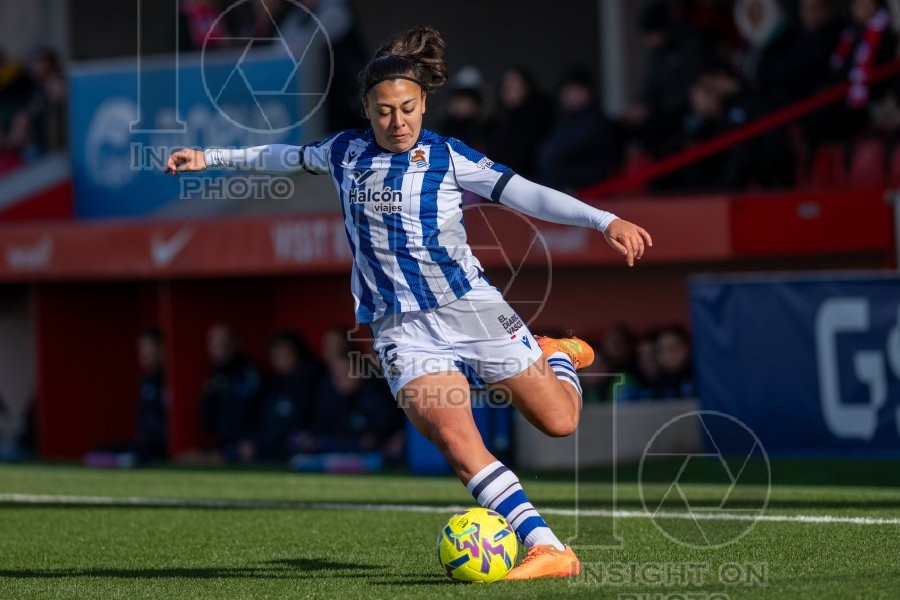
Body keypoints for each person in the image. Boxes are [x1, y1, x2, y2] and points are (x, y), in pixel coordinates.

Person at [166, 24, 652, 580]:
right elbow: (284, 156)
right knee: (455, 440)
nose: (397, 122)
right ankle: (548, 547)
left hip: (471, 308)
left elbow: (526, 193)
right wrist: (210, 157)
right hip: (400, 330)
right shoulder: (344, 152)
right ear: (366, 111)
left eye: (407, 109)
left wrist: (603, 220)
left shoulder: (448, 156)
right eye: (383, 112)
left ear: (423, 104)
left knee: (560, 422)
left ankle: (556, 355)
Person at [536, 66, 622, 190]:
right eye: (566, 91)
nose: (569, 96)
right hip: (562, 176)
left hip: (587, 180)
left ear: (586, 92)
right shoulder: (566, 119)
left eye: (574, 90)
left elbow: (568, 150)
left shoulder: (596, 121)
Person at [240, 330, 319, 463]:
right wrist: (251, 440)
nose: (281, 360)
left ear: (298, 354)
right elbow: (259, 420)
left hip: (295, 454)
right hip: (263, 452)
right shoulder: (269, 386)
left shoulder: (311, 383)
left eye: (286, 355)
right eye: (276, 355)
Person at [199, 323, 261, 463]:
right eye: (214, 345)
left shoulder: (250, 374)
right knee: (183, 460)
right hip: (222, 444)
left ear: (235, 344)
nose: (219, 349)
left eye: (224, 343)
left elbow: (260, 413)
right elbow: (205, 421)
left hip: (247, 446)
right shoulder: (215, 376)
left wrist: (253, 441)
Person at [487, 66, 554, 180]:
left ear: (527, 88)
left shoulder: (538, 116)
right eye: (507, 87)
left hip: (529, 179)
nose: (510, 91)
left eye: (516, 87)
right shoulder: (497, 119)